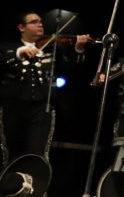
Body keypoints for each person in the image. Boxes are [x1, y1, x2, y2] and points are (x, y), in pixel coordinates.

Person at [0, 11, 90, 163]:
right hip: (13, 107)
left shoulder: (51, 49)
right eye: (34, 22)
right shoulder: (8, 48)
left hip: (41, 109)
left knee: (37, 151)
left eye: (40, 21)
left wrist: (78, 50)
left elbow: (71, 70)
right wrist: (19, 52)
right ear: (22, 27)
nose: (40, 24)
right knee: (11, 150)